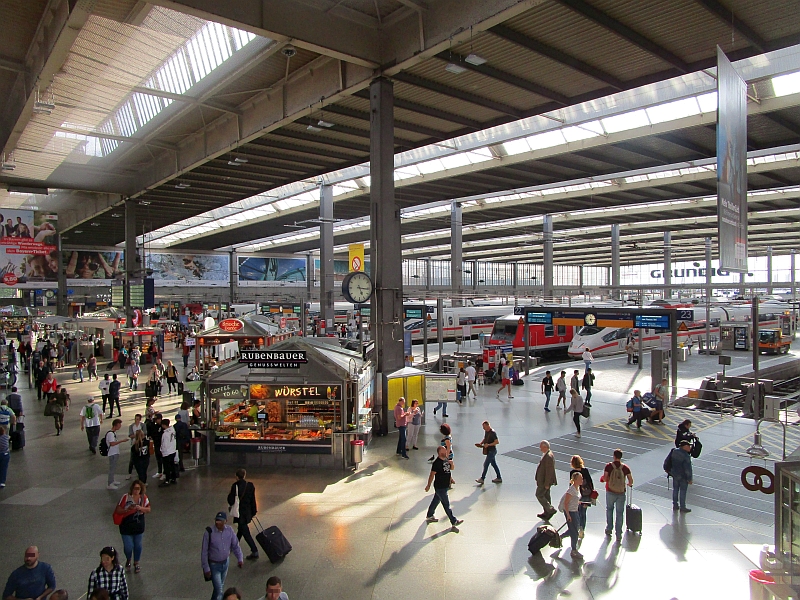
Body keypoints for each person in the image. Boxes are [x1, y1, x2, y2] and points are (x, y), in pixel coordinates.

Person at [201, 512, 244, 600]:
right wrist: (206, 568)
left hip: (225, 563)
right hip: (214, 565)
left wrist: (240, 558)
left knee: (218, 588)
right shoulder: (209, 532)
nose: (218, 523)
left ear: (226, 521)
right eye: (217, 520)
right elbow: (204, 551)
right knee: (220, 591)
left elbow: (235, 545)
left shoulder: (229, 531)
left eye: (220, 521)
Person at [114, 480, 151, 573]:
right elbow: (118, 510)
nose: (136, 491)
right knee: (128, 546)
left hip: (138, 526)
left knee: (138, 545)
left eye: (138, 489)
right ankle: (128, 558)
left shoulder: (143, 498)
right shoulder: (125, 497)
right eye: (135, 488)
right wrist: (127, 509)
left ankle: (136, 562)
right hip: (126, 525)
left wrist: (141, 508)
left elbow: (148, 509)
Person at [424, 445, 464, 532]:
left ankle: (430, 515)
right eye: (443, 452)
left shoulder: (446, 460)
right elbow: (432, 475)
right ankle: (453, 521)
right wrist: (428, 485)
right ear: (439, 453)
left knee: (436, 499)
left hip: (445, 486)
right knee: (446, 504)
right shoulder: (436, 463)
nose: (445, 453)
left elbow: (449, 470)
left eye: (445, 452)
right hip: (440, 487)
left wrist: (452, 467)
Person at [599, 448, 634, 537]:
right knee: (619, 512)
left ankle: (609, 528)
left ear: (614, 456)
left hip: (610, 491)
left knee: (609, 509)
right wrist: (628, 484)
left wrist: (603, 479)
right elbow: (631, 481)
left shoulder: (609, 466)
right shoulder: (625, 468)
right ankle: (618, 533)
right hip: (621, 493)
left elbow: (606, 478)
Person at [227, 469, 259, 560]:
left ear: (236, 477)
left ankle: (254, 551)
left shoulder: (235, 486)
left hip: (239, 512)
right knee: (241, 529)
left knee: (245, 532)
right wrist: (254, 511)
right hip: (247, 512)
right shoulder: (250, 485)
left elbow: (231, 500)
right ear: (244, 476)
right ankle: (234, 545)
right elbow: (253, 500)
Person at [570, 455, 594, 540]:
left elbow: (571, 485)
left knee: (577, 512)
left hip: (577, 495)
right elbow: (590, 483)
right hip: (586, 495)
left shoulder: (572, 472)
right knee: (583, 513)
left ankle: (577, 527)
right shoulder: (585, 471)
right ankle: (582, 529)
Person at [535, 440, 557, 520]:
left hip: (544, 481)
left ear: (545, 447)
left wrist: (547, 483)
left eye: (541, 447)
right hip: (544, 480)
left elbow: (549, 471)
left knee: (539, 494)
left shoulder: (548, 457)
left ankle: (550, 509)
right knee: (546, 496)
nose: (540, 449)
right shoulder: (547, 454)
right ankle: (546, 513)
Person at [670, 440, 694, 513]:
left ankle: (675, 505)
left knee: (675, 490)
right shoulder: (686, 456)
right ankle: (682, 507)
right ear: (684, 447)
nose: (690, 447)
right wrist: (689, 478)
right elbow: (688, 469)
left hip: (675, 474)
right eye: (688, 446)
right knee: (683, 491)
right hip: (683, 476)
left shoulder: (675, 451)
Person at [474, 420, 501, 485]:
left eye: (484, 427)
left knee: (486, 464)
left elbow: (497, 442)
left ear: (488, 426)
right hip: (489, 451)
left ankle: (482, 478)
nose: (483, 428)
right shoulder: (486, 431)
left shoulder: (493, 433)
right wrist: (481, 443)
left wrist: (488, 445)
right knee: (494, 464)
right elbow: (485, 438)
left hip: (492, 451)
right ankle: (499, 477)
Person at [106, 419, 128, 489]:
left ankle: (112, 480)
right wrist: (122, 441)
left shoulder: (113, 433)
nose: (120, 426)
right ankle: (110, 483)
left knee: (113, 467)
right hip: (112, 453)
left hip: (115, 452)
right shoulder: (110, 434)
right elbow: (112, 443)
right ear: (116, 425)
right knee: (112, 468)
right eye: (119, 425)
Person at [159, 418, 178, 485]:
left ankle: (167, 480)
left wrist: (162, 451)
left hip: (166, 452)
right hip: (173, 450)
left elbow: (164, 444)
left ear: (163, 425)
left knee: (166, 467)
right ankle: (173, 478)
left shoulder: (165, 434)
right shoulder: (173, 430)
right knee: (172, 465)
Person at [127, 414, 144, 479]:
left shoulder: (142, 425)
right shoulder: (131, 426)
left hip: (141, 444)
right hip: (134, 444)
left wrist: (138, 435)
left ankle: (139, 473)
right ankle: (129, 473)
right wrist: (138, 435)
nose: (136, 420)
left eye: (137, 419)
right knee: (132, 459)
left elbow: (144, 434)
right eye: (135, 419)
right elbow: (130, 435)